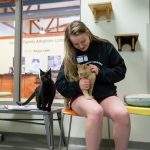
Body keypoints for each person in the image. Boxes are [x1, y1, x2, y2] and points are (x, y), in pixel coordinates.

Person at [55, 20, 130, 150]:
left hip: (105, 95)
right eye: (76, 44)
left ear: (88, 33)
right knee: (96, 111)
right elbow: (60, 84)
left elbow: (121, 70)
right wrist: (78, 85)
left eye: (83, 41)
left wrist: (102, 72)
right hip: (80, 96)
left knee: (122, 114)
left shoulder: (105, 47)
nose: (80, 46)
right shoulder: (71, 54)